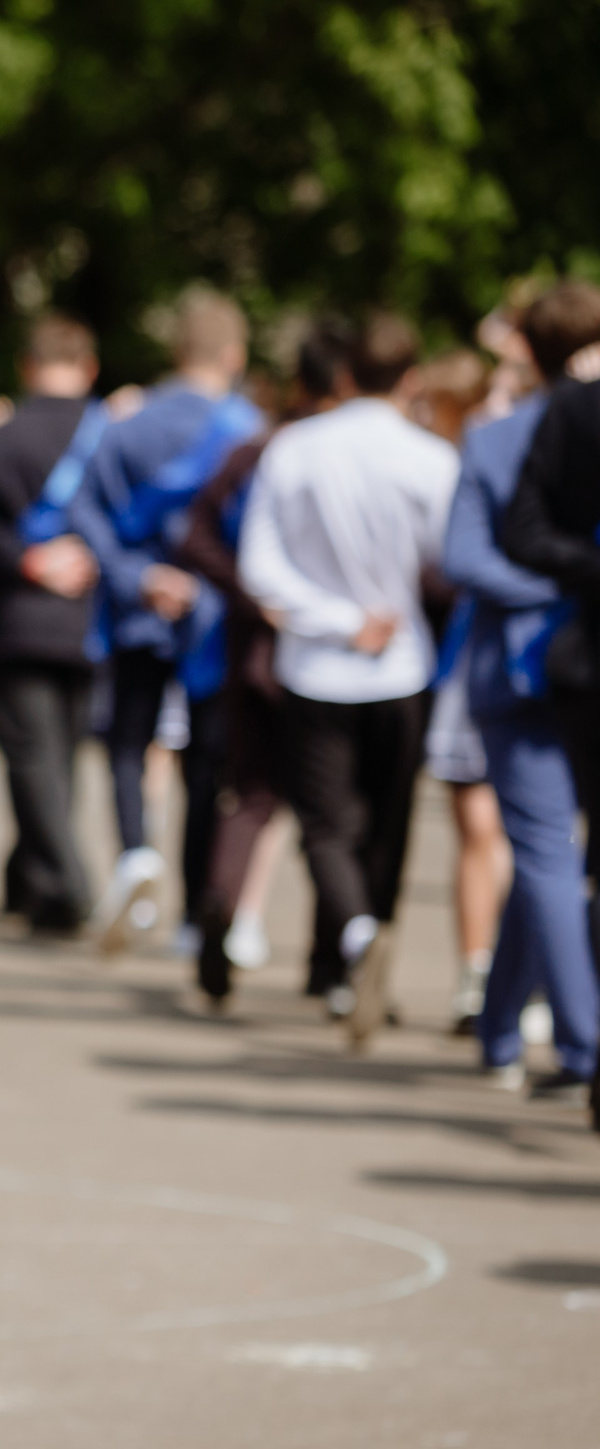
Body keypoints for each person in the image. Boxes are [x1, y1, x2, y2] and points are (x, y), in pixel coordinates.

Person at [240, 311, 459, 1049]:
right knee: (386, 827)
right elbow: (449, 557)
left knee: (326, 825)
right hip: (400, 665)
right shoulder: (429, 458)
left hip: (317, 666)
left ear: (342, 375)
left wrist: (332, 617)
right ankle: (367, 949)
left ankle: (355, 943)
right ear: (412, 378)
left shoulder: (293, 450)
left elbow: (260, 566)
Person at [68, 285, 263, 953]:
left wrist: (137, 576)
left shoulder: (126, 425)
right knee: (207, 765)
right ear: (232, 354)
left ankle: (134, 855)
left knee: (129, 739)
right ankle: (191, 913)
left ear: (177, 351)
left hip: (138, 608)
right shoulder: (249, 431)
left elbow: (82, 509)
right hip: (213, 620)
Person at [450, 282, 600, 1098]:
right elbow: (468, 554)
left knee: (544, 857)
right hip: (534, 666)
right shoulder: (503, 436)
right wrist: (567, 590)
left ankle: (519, 1029)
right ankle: (581, 1044)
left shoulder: (502, 435)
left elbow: (467, 557)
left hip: (531, 667)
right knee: (549, 855)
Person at [181, 321, 357, 1006]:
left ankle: (219, 905)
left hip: (254, 650)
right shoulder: (319, 455)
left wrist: (248, 595)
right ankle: (330, 962)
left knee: (251, 794)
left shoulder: (257, 451)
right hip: (333, 658)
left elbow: (193, 534)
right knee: (334, 812)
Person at [0, 313, 103, 935]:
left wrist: (27, 559)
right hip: (87, 618)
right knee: (60, 758)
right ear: (88, 368)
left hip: (16, 617)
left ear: (27, 367)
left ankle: (69, 884)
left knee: (32, 759)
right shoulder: (110, 437)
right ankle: (36, 885)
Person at [405, 350, 509, 1033]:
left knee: (518, 835)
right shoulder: (458, 463)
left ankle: (508, 983)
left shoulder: (489, 452)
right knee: (482, 827)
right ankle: (480, 978)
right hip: (471, 661)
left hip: (505, 663)